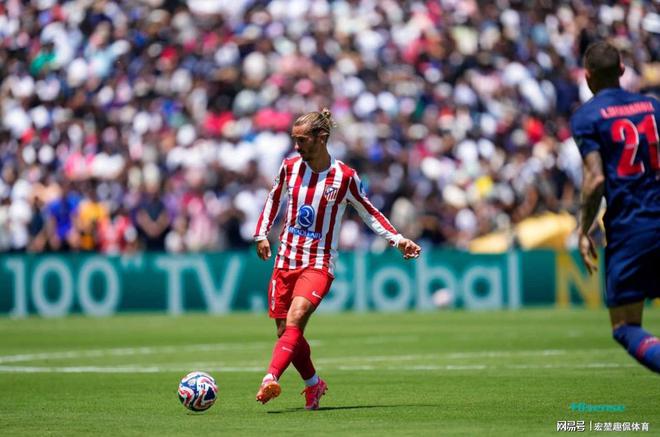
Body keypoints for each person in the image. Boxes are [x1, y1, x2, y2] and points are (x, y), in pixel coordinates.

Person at [253, 108, 421, 409]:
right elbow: (273, 198)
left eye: (302, 140)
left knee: (295, 318)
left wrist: (397, 239)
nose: (296, 146)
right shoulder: (290, 168)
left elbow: (369, 212)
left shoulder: (344, 177)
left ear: (322, 138)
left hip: (318, 263)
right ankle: (314, 384)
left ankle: (270, 378)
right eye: (294, 139)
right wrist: (261, 234)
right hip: (285, 260)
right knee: (285, 332)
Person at [571, 41, 660, 374]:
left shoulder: (587, 117)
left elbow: (595, 180)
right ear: (622, 70)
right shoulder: (653, 107)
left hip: (631, 228)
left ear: (588, 76)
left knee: (625, 326)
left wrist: (583, 229)